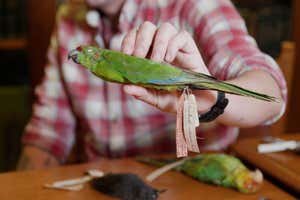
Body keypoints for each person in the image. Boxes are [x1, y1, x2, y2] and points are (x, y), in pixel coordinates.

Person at [17, 0, 286, 170]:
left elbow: (269, 90)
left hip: (190, 178)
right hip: (105, 181)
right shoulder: (67, 18)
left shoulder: (194, 5)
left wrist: (214, 98)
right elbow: (48, 132)